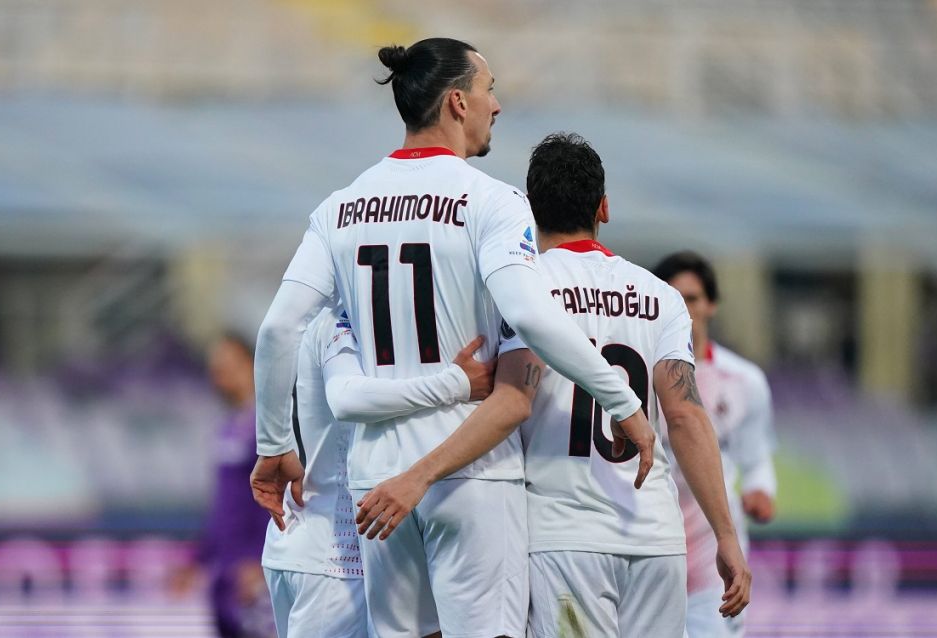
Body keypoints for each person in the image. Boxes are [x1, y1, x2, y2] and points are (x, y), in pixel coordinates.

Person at [251, 38, 654, 638]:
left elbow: (278, 327)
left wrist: (274, 443)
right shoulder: (492, 201)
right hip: (472, 474)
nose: (498, 106)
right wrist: (622, 402)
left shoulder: (339, 208)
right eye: (490, 90)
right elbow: (535, 318)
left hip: (376, 482)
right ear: (458, 103)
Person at [497, 133, 749, 635]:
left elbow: (510, 399)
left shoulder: (521, 289)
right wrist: (726, 534)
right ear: (604, 208)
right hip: (655, 540)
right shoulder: (659, 297)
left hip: (565, 538)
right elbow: (685, 416)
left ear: (530, 208)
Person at [261, 307, 495, 638]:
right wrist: (456, 382)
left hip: (310, 543)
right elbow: (347, 398)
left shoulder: (319, 316)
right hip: (337, 559)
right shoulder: (341, 317)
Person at [653, 251, 777, 638]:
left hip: (715, 559)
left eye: (690, 298)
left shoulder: (745, 380)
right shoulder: (637, 377)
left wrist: (760, 489)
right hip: (652, 549)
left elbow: (756, 458)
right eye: (672, 297)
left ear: (711, 305)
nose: (682, 308)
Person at [188, 334, 273, 638]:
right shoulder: (227, 427)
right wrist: (198, 559)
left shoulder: (269, 426)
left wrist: (260, 559)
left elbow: (275, 497)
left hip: (251, 569)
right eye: (215, 366)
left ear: (251, 365)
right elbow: (224, 505)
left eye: (227, 364)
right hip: (223, 571)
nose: (219, 372)